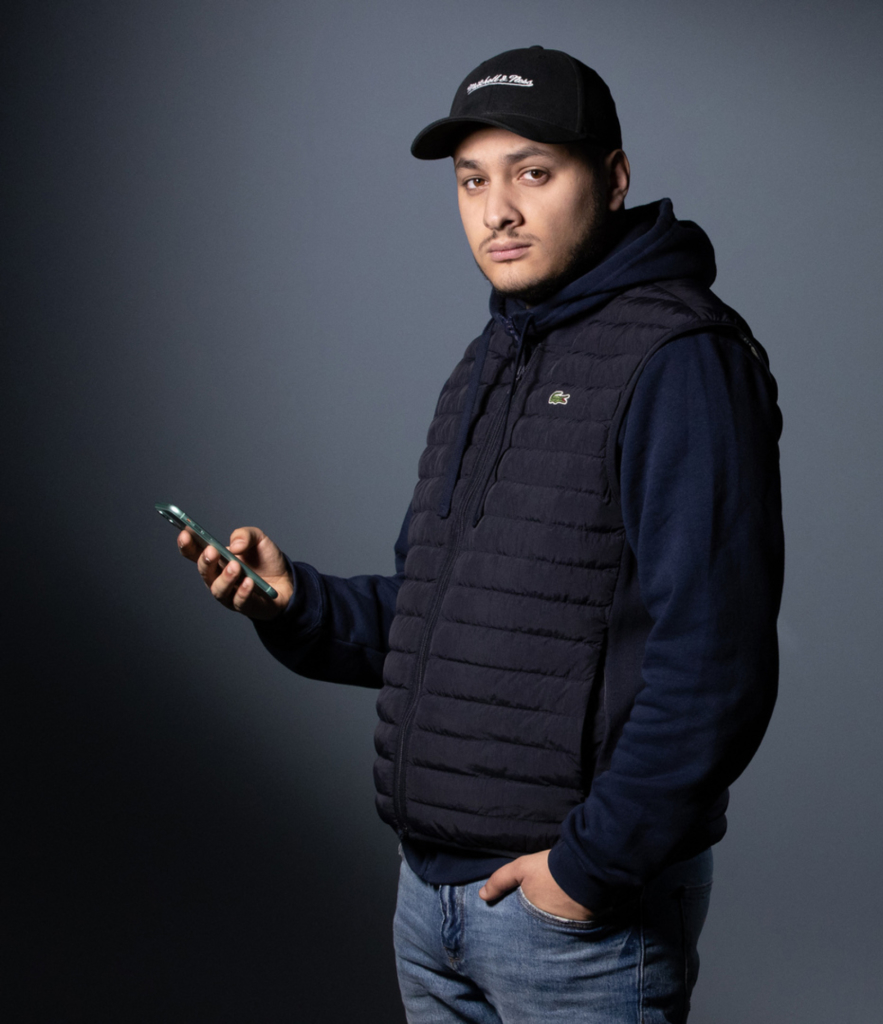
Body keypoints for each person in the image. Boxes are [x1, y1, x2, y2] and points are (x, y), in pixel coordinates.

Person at [176, 45, 784, 1024]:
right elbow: (440, 618)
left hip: (574, 919)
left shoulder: (682, 359)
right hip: (432, 904)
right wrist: (296, 604)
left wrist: (587, 873)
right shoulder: (490, 359)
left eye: (532, 173)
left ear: (613, 178)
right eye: (472, 181)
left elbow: (716, 661)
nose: (497, 210)